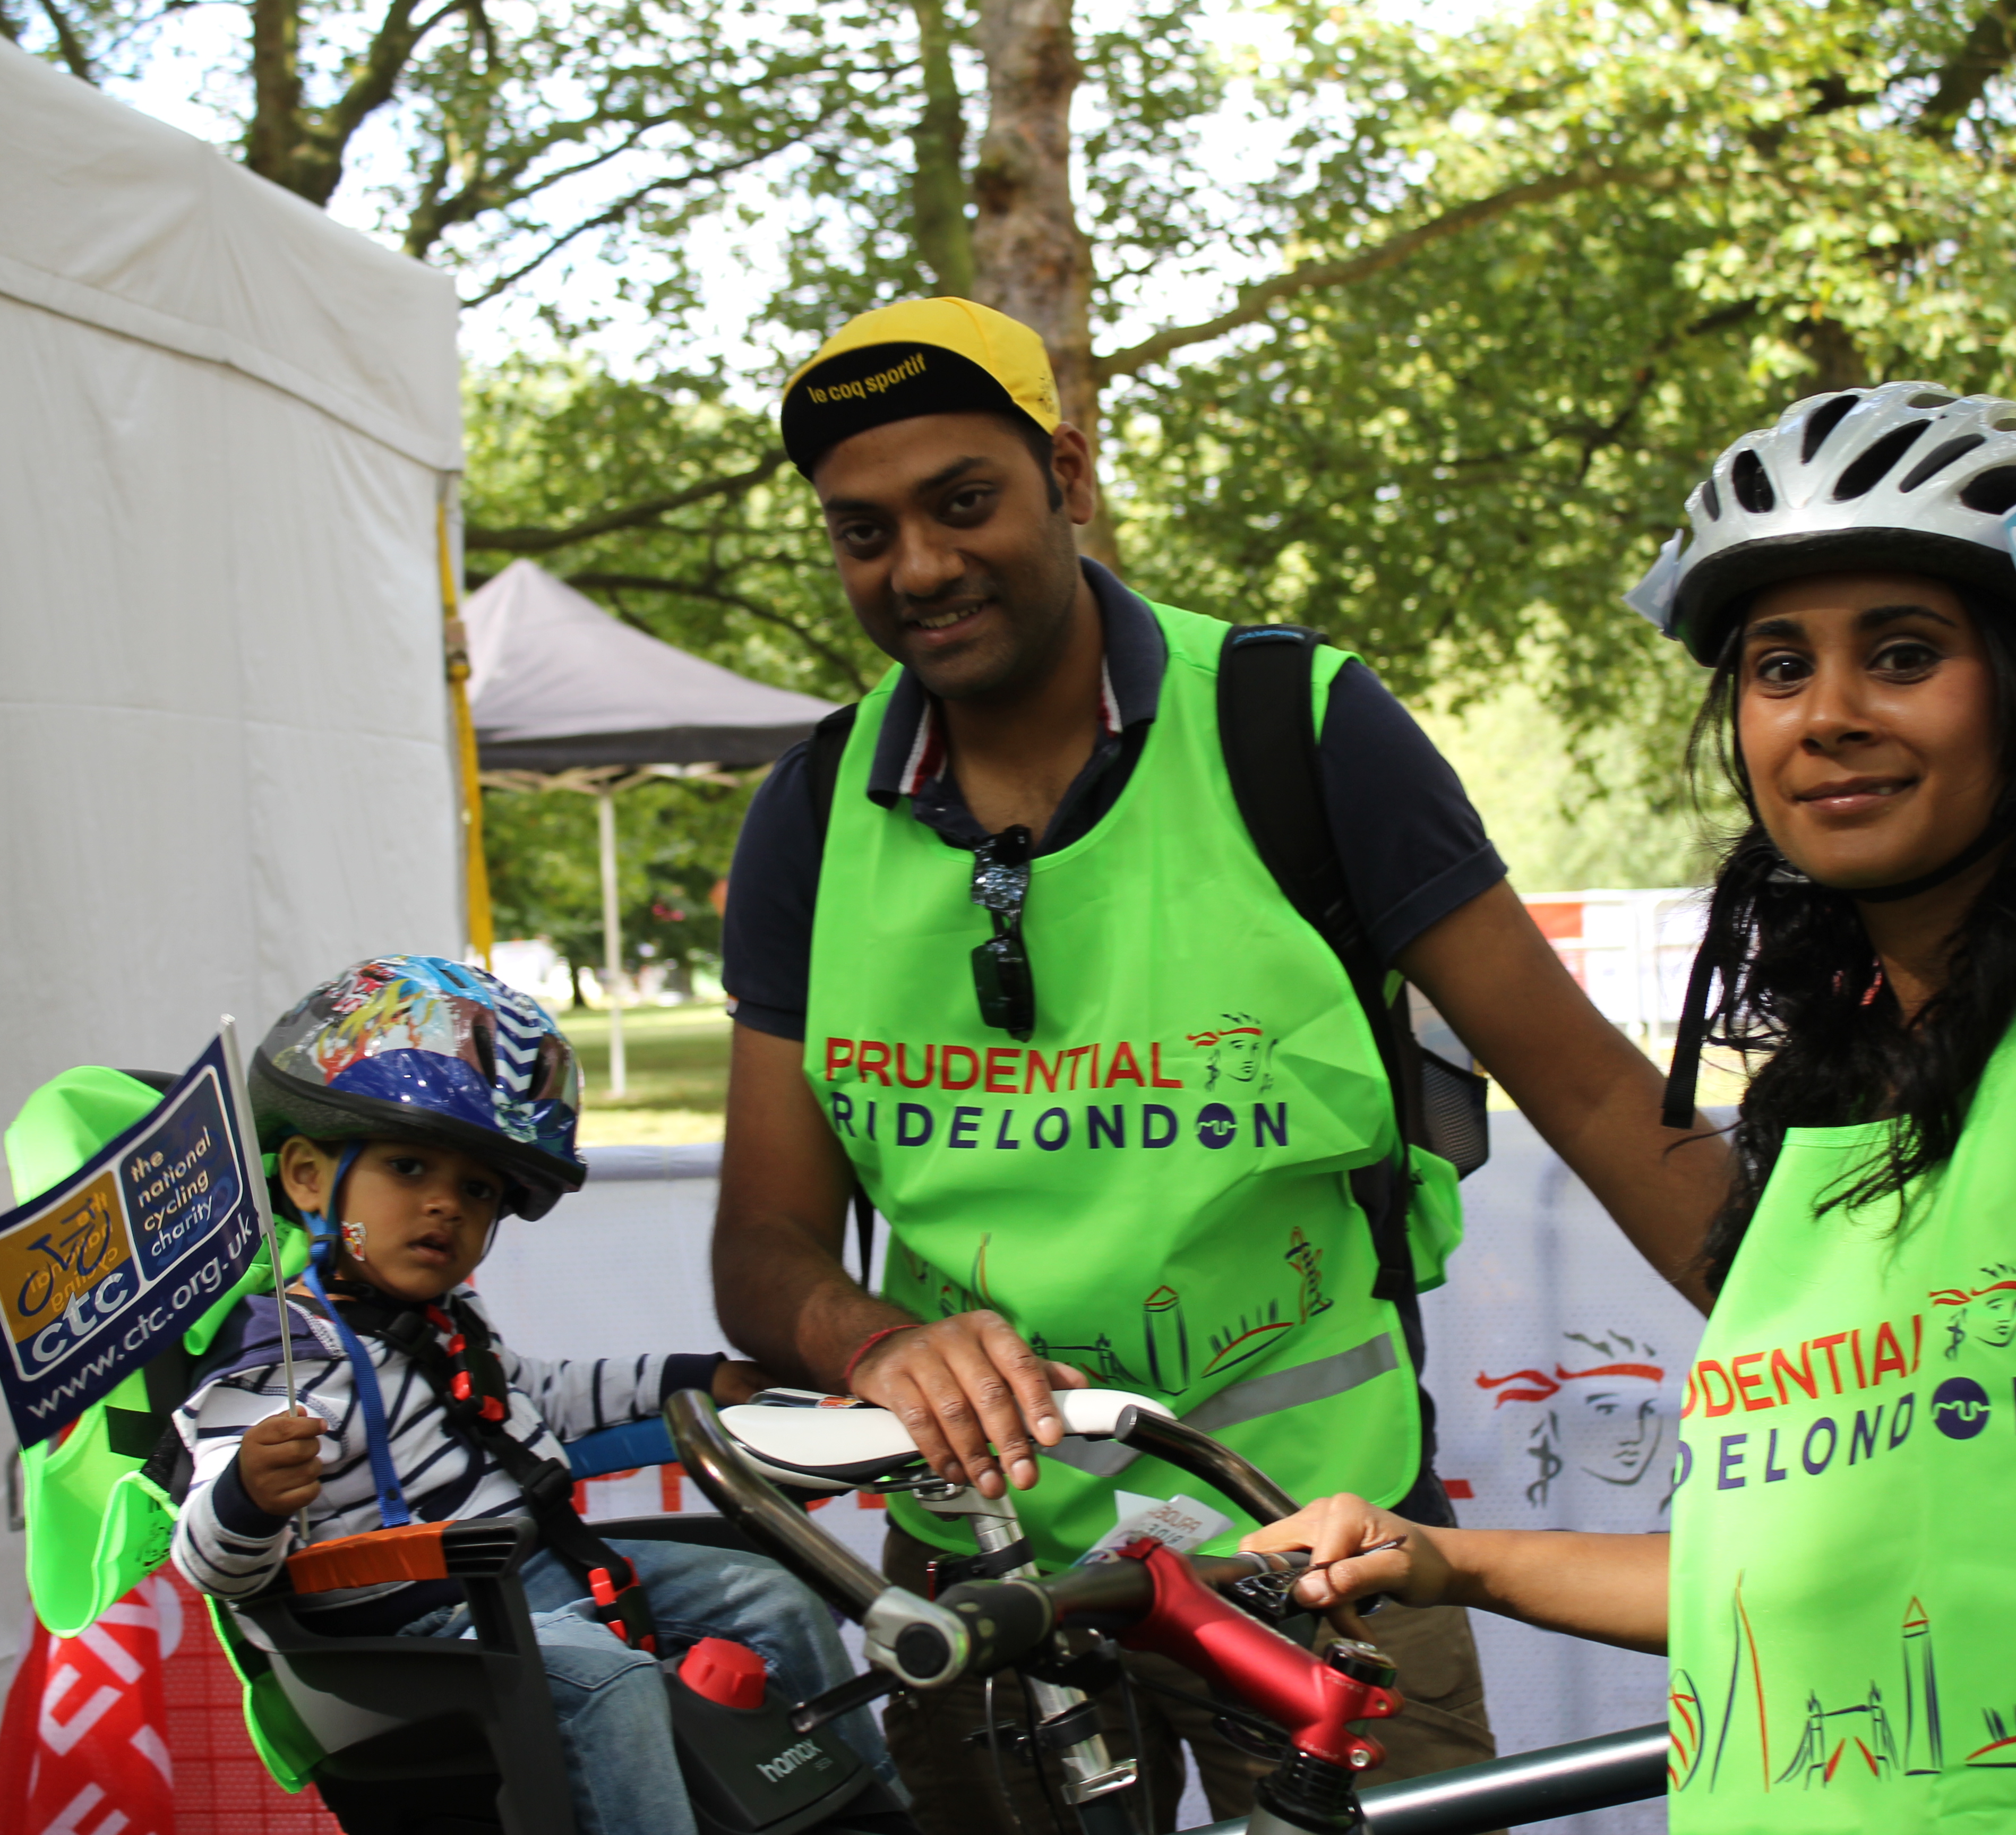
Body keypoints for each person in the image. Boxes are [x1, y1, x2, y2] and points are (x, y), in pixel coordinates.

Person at [1246, 383, 2016, 1835]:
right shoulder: (1822, 1099)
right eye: (1779, 667)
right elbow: (1791, 1567)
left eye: (1905, 655)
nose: (1830, 717)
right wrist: (1442, 1559)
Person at [712, 296, 1734, 1829]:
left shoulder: (1296, 727)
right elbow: (763, 1239)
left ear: (1064, 472)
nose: (917, 567)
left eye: (963, 501)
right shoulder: (809, 813)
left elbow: (1590, 1089)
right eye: (862, 534)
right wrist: (870, 1343)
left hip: (1323, 1550)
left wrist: (1873, 1353)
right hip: (987, 1575)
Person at [169, 956, 890, 1835]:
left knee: (769, 1592)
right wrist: (248, 1494)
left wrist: (692, 1379)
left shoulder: (444, 1316)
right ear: (309, 1178)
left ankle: (871, 1813)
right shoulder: (273, 1358)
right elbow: (207, 1562)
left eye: (476, 1190)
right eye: (407, 1168)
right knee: (608, 1680)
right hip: (413, 1635)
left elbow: (536, 1398)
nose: (445, 1207)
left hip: (534, 1577)